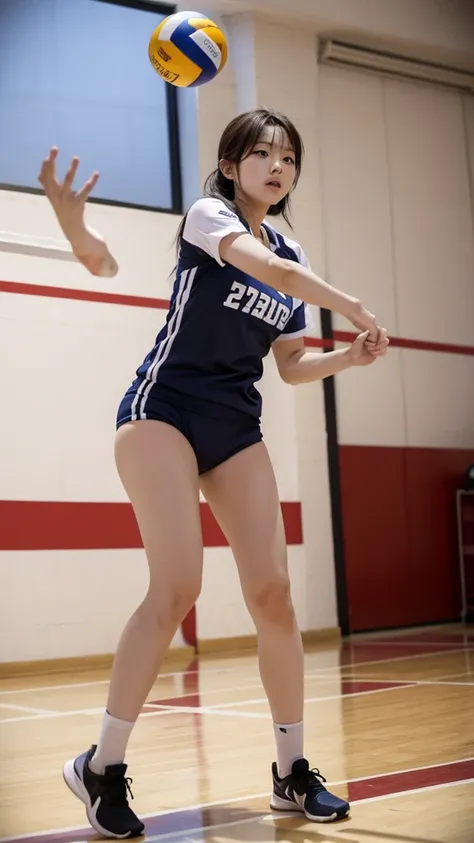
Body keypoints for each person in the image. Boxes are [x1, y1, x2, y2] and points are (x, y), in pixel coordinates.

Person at [38, 107, 388, 839]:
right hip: (161, 409)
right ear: (232, 166)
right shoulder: (209, 215)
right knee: (176, 588)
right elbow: (270, 269)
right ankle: (102, 764)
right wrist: (351, 307)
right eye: (261, 153)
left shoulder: (292, 243)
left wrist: (344, 357)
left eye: (288, 156)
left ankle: (291, 773)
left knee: (274, 594)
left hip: (234, 424)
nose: (277, 165)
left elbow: (292, 366)